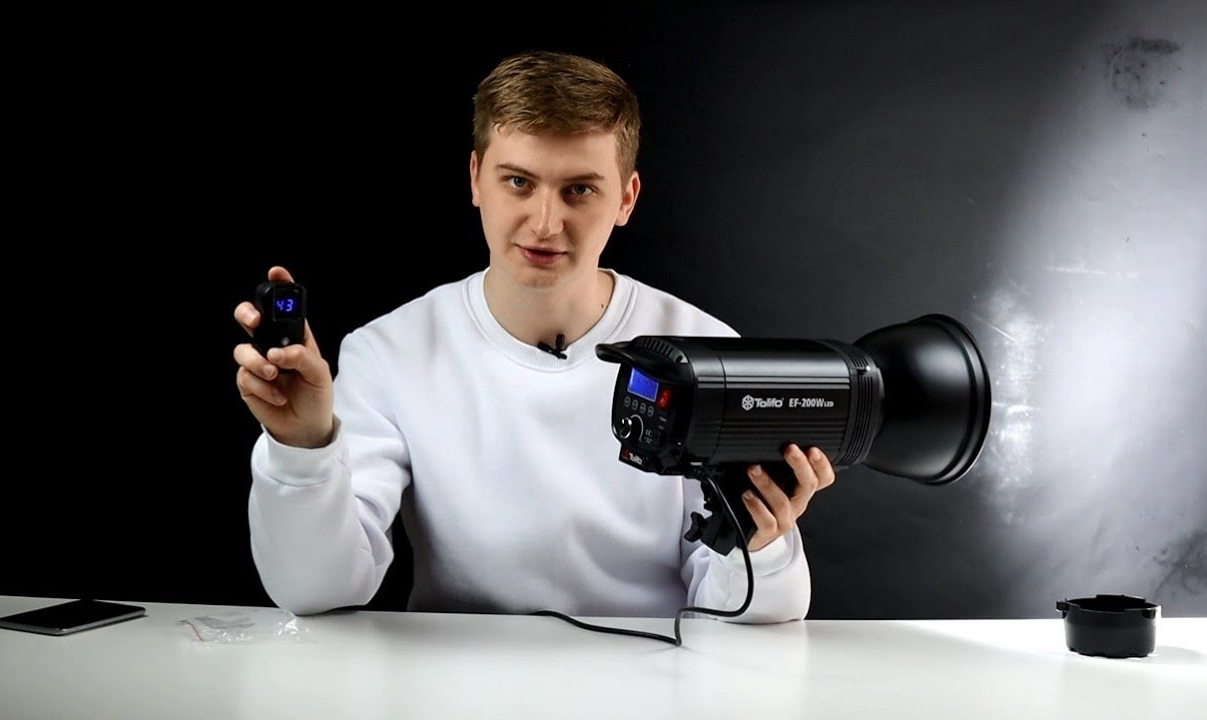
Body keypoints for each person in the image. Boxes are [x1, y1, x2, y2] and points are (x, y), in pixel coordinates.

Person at [232, 50, 834, 622]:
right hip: (455, 676)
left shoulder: (709, 353)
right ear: (476, 179)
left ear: (626, 199)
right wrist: (302, 449)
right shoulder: (391, 351)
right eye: (519, 182)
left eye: (580, 189)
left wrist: (760, 544)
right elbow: (317, 589)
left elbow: (743, 615)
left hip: (650, 677)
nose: (545, 223)